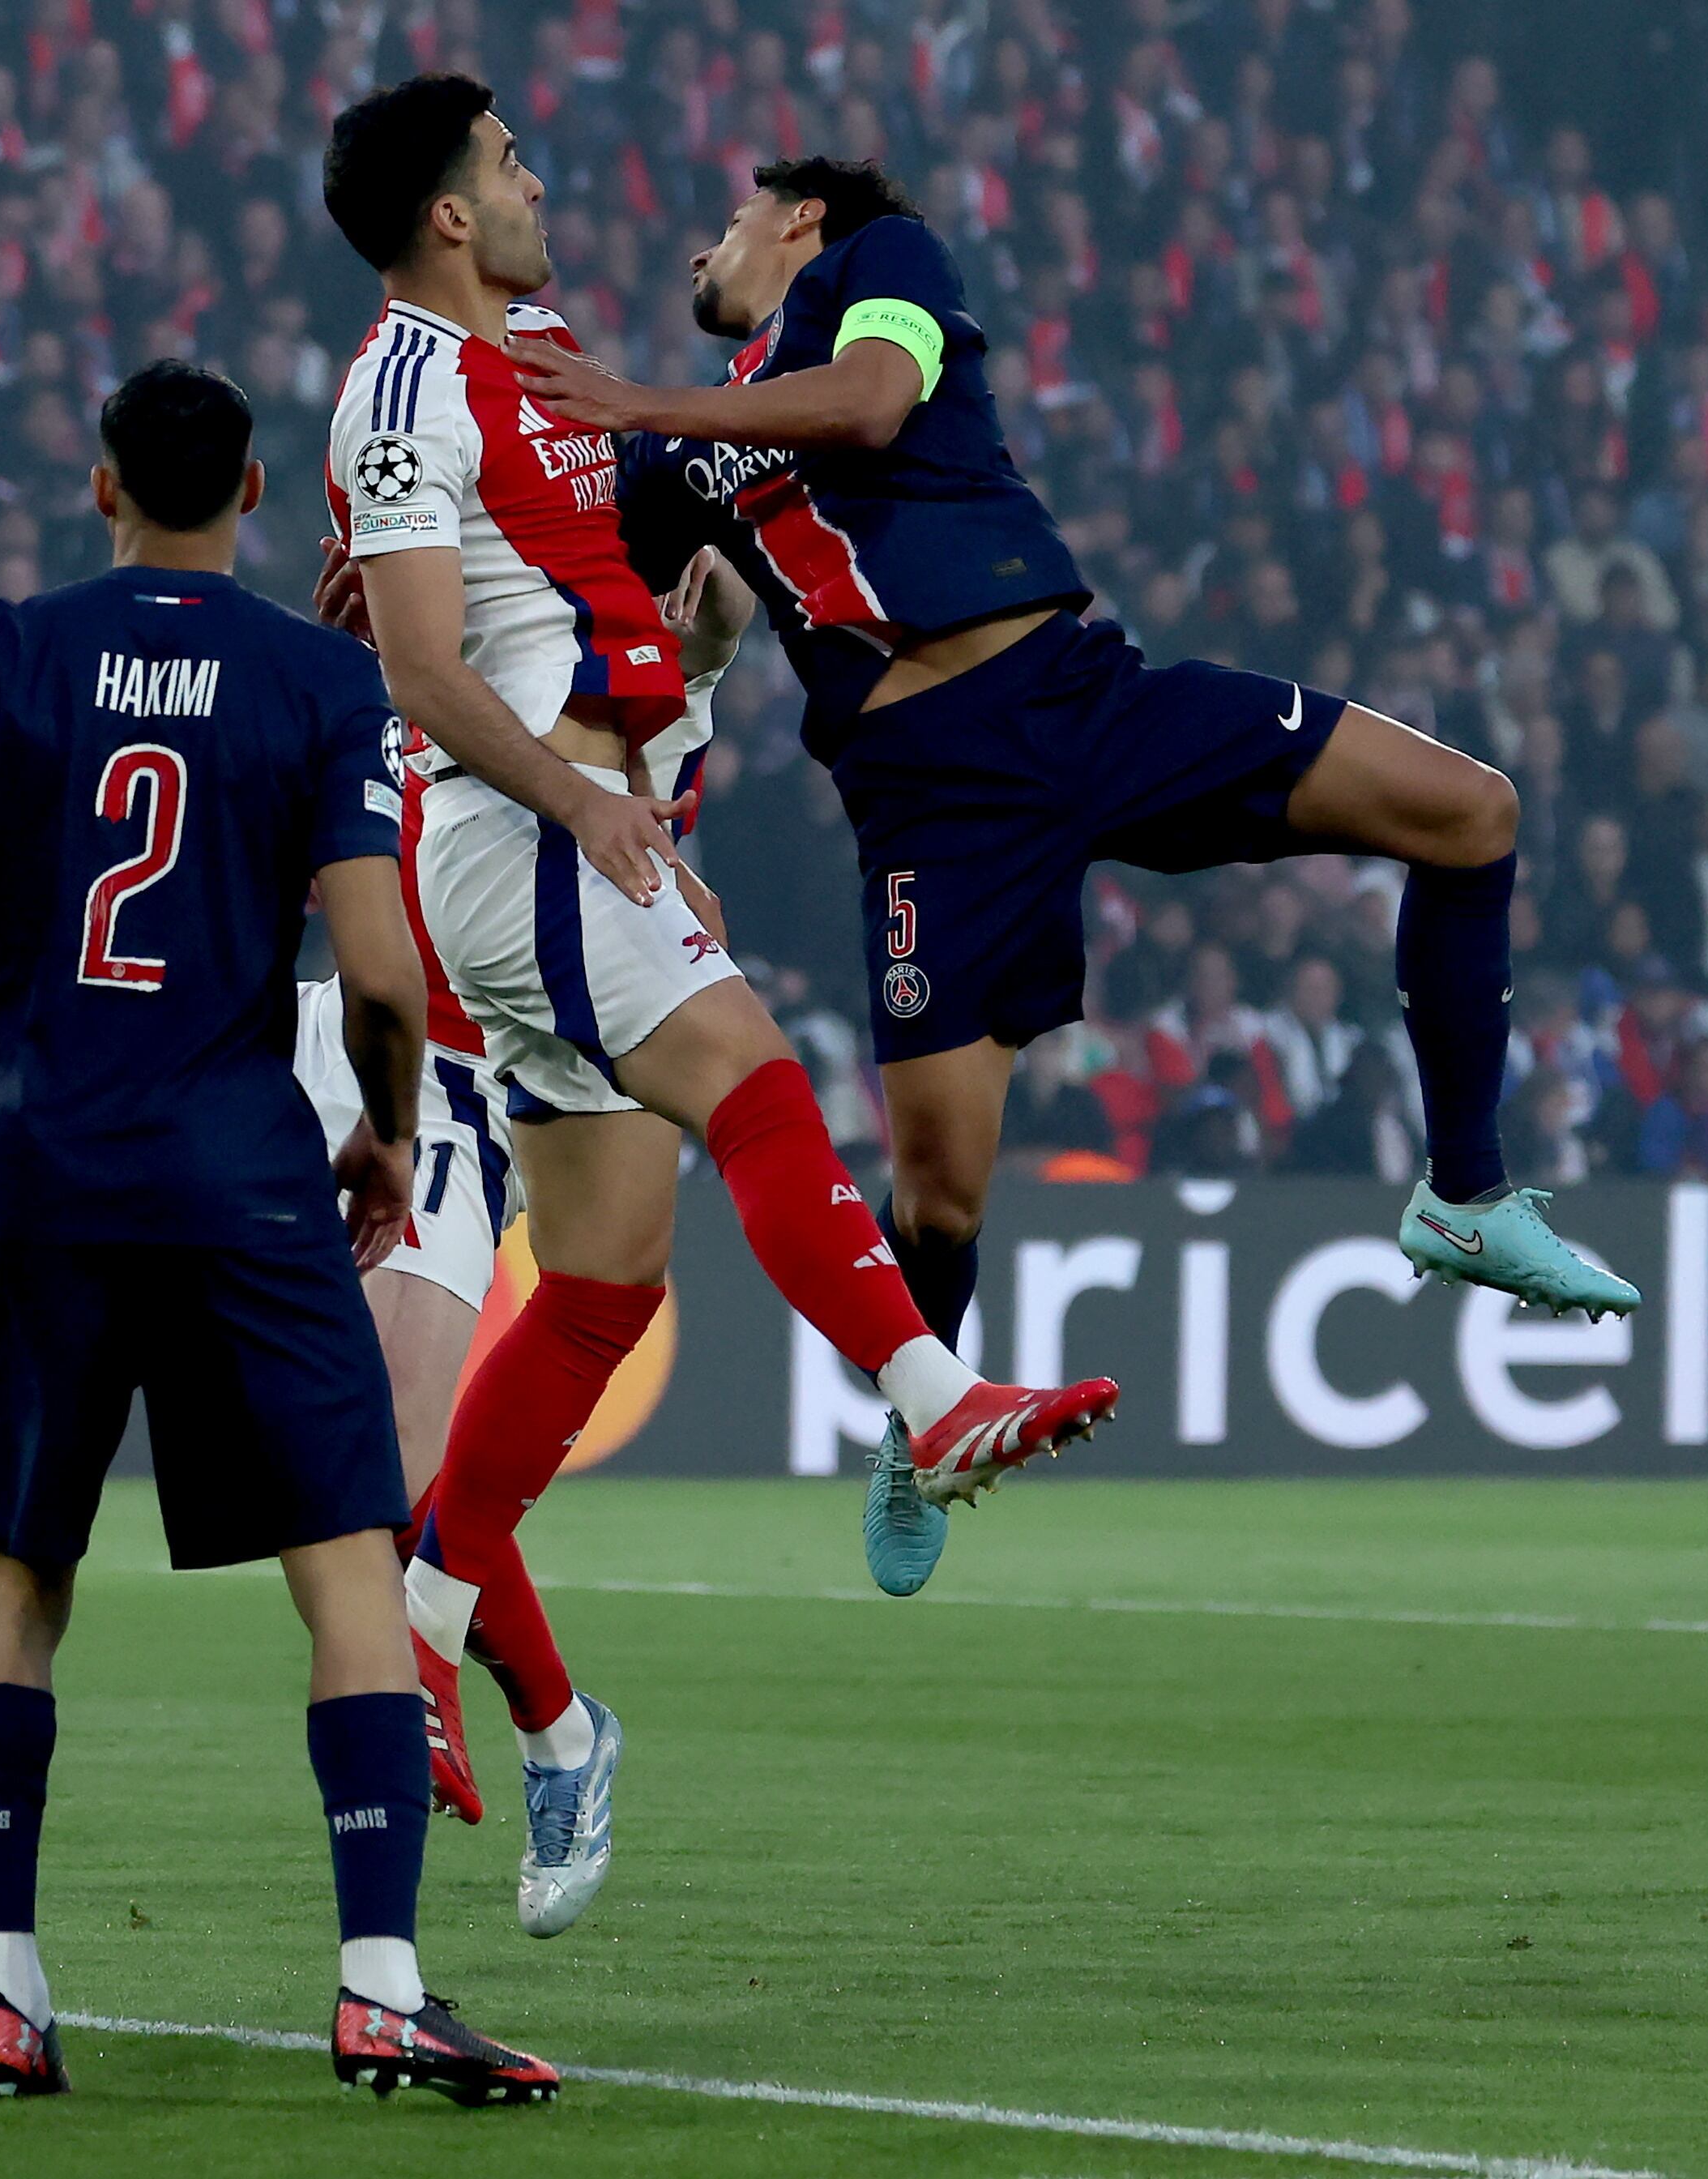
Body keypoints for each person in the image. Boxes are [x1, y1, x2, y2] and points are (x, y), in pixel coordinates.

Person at [506, 148, 1643, 1583]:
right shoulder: (677, 457)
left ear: (800, 216)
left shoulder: (883, 264)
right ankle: (924, 1422)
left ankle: (1465, 1195)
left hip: (1083, 697)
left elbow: (875, 402)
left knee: (1475, 810)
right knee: (945, 1194)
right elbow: (570, 594)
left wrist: (639, 403)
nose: (694, 263)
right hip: (934, 801)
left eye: (720, 225)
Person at [315, 75, 1117, 1931]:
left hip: (578, 820)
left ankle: (440, 1630)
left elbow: (563, 607)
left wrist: (685, 666)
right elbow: (426, 670)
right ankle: (930, 1395)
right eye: (508, 164)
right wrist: (587, 795)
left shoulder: (540, 352)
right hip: (519, 838)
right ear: (444, 212)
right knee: (754, 1080)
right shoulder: (400, 387)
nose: (537, 183)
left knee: (600, 1282)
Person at [0, 359, 556, 2105]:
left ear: (98, 488)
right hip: (236, 1186)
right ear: (247, 487)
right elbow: (378, 970)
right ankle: (377, 1985)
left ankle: (2, 1985)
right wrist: (379, 1128)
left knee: (17, 1584)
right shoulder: (320, 678)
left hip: (38, 1181)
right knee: (348, 1574)